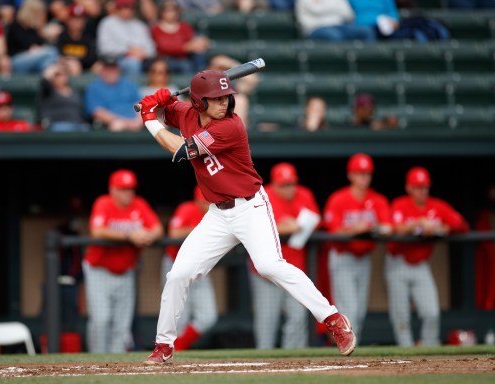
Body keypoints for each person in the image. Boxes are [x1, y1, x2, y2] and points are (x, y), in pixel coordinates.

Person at [137, 69, 356, 364]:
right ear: (199, 103)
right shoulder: (188, 113)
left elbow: (178, 150)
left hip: (250, 207)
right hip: (217, 213)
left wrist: (151, 117)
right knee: (178, 274)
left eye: (226, 97)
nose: (224, 103)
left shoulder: (230, 127)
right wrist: (158, 103)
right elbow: (165, 114)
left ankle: (332, 319)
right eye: (216, 99)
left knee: (269, 265)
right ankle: (164, 344)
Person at [386, 167, 469, 347]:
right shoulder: (400, 204)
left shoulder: (436, 206)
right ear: (409, 187)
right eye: (417, 187)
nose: (422, 191)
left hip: (421, 265)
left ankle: (428, 350)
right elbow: (393, 228)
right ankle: (406, 352)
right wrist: (418, 223)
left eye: (424, 187)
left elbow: (462, 225)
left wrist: (443, 228)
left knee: (431, 312)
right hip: (398, 262)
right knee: (401, 315)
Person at [83, 169, 164, 353]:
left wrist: (147, 236)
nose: (128, 193)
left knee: (122, 323)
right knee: (101, 319)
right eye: (123, 189)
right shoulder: (104, 203)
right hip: (99, 270)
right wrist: (130, 235)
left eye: (130, 189)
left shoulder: (139, 204)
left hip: (126, 271)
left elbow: (158, 228)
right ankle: (96, 360)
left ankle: (116, 364)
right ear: (112, 189)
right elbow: (97, 230)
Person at [249, 162, 321, 349]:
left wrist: (299, 225)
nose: (289, 189)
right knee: (267, 319)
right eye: (284, 185)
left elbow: (316, 221)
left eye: (291, 184)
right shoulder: (262, 196)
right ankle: (263, 359)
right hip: (267, 272)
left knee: (297, 316)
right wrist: (280, 227)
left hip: (294, 268)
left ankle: (293, 361)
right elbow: (252, 227)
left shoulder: (305, 194)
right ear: (274, 184)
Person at [322, 153, 392, 342]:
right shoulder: (338, 199)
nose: (364, 178)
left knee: (359, 310)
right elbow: (334, 231)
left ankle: (351, 346)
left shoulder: (377, 200)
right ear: (351, 175)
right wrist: (357, 229)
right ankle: (347, 345)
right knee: (349, 308)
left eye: (367, 174)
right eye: (359, 173)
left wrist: (370, 228)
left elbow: (388, 227)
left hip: (364, 258)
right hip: (342, 257)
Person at [161, 186, 218, 350]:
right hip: (175, 265)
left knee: (208, 316)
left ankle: (177, 347)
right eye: (204, 201)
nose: (207, 204)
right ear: (197, 200)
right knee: (179, 317)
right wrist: (199, 229)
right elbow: (174, 233)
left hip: (200, 268)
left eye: (210, 201)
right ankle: (170, 351)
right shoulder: (187, 209)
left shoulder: (218, 213)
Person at [96, 0, 156, 76]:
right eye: (123, 8)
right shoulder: (107, 23)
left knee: (158, 65)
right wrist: (128, 51)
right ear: (117, 8)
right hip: (116, 60)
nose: (126, 11)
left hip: (142, 60)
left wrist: (143, 54)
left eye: (129, 8)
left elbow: (152, 49)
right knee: (133, 64)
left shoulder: (140, 25)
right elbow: (104, 48)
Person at [84, 56, 143, 132]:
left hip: (135, 122)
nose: (111, 71)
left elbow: (140, 104)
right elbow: (97, 112)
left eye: (113, 68)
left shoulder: (129, 84)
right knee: (117, 125)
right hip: (113, 124)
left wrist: (138, 122)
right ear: (102, 70)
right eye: (108, 69)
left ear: (118, 70)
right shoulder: (94, 87)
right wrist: (126, 123)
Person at [150, 0, 210, 74]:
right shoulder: (156, 28)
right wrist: (185, 47)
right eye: (167, 10)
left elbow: (193, 40)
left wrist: (200, 43)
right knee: (185, 65)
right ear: (161, 12)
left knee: (199, 54)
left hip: (185, 57)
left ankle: (203, 77)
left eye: (173, 10)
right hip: (166, 59)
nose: (171, 13)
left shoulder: (184, 26)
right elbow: (163, 47)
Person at [6, 0, 61, 74]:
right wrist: (33, 50)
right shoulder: (16, 27)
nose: (42, 17)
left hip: (33, 60)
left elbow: (39, 46)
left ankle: (48, 77)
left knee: (48, 63)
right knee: (52, 52)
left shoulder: (34, 29)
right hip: (16, 61)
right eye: (39, 14)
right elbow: (26, 46)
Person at [208, 54, 258, 128]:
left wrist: (232, 64)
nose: (222, 71)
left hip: (228, 126)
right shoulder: (204, 80)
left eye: (225, 69)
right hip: (207, 125)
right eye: (219, 68)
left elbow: (252, 80)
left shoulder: (231, 84)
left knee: (240, 100)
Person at [39, 63, 89, 132]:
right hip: (57, 124)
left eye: (63, 74)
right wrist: (52, 70)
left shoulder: (75, 92)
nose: (61, 78)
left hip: (78, 124)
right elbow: (44, 80)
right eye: (57, 75)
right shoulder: (48, 91)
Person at [295, 0, 376, 42]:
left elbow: (348, 14)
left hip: (340, 26)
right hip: (316, 28)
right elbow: (304, 20)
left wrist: (322, 9)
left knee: (366, 31)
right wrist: (332, 10)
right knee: (335, 36)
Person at [57, 4, 98, 76]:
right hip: (67, 69)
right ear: (68, 20)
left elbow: (91, 59)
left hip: (86, 68)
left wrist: (76, 60)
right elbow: (59, 56)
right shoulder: (62, 36)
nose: (78, 22)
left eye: (80, 19)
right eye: (74, 19)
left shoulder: (88, 37)